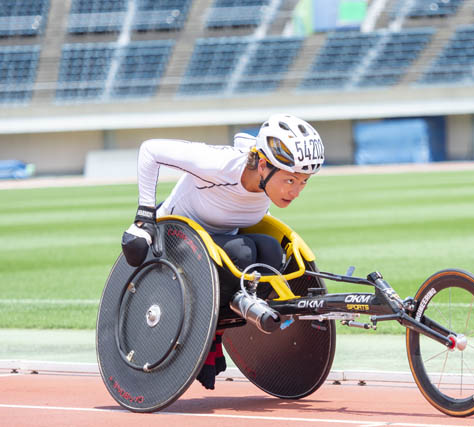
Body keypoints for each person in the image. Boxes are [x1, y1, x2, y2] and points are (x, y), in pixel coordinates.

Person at [120, 113, 325, 390]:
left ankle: (232, 317)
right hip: (177, 243)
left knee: (271, 252)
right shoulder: (219, 165)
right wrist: (144, 216)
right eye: (290, 181)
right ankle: (212, 332)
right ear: (263, 165)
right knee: (242, 253)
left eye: (304, 181)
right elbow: (150, 150)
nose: (297, 191)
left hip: (224, 241)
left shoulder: (267, 176)